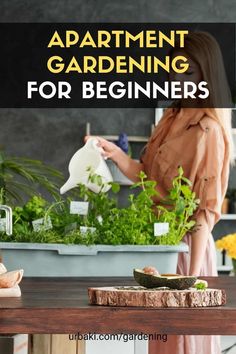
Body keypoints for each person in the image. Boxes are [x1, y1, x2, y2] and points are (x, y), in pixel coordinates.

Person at [85, 32, 234, 354]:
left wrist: (189, 284)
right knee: (161, 341)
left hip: (186, 251)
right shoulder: (171, 116)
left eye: (190, 73)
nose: (180, 80)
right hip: (162, 245)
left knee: (180, 342)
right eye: (175, 70)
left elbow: (204, 214)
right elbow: (147, 175)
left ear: (208, 75)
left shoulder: (208, 130)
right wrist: (116, 154)